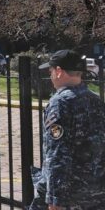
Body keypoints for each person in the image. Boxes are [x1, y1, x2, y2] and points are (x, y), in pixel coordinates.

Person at [30, 50, 105, 210]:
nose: (50, 76)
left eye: (50, 71)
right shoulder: (96, 100)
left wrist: (55, 199)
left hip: (70, 196)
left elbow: (58, 154)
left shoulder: (61, 103)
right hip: (96, 193)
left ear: (58, 71)